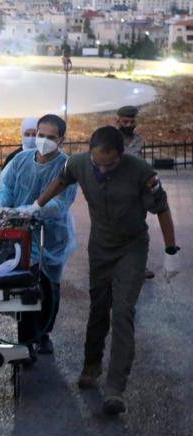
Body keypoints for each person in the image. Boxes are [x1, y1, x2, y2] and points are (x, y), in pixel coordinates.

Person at [35, 126, 180, 415]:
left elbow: (162, 209)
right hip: (100, 247)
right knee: (98, 308)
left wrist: (170, 252)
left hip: (131, 248)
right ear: (90, 153)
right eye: (97, 163)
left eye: (110, 164)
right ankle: (92, 365)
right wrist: (35, 206)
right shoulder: (78, 162)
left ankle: (115, 389)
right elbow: (61, 181)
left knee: (123, 312)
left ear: (121, 156)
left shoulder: (141, 171)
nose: (102, 169)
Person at [0, 114, 77, 361]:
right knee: (25, 286)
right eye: (41, 135)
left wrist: (34, 211)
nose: (43, 140)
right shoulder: (20, 160)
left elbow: (60, 203)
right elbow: (7, 188)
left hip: (51, 235)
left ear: (61, 140)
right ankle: (26, 340)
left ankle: (44, 333)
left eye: (51, 137)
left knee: (49, 286)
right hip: (18, 232)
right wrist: (0, 205)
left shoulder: (67, 167)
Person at [116, 106, 154, 280]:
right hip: (117, 190)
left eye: (132, 121)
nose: (129, 125)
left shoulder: (139, 139)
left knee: (138, 229)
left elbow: (140, 162)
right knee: (116, 230)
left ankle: (140, 267)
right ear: (118, 121)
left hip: (137, 191)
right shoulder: (111, 138)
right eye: (125, 121)